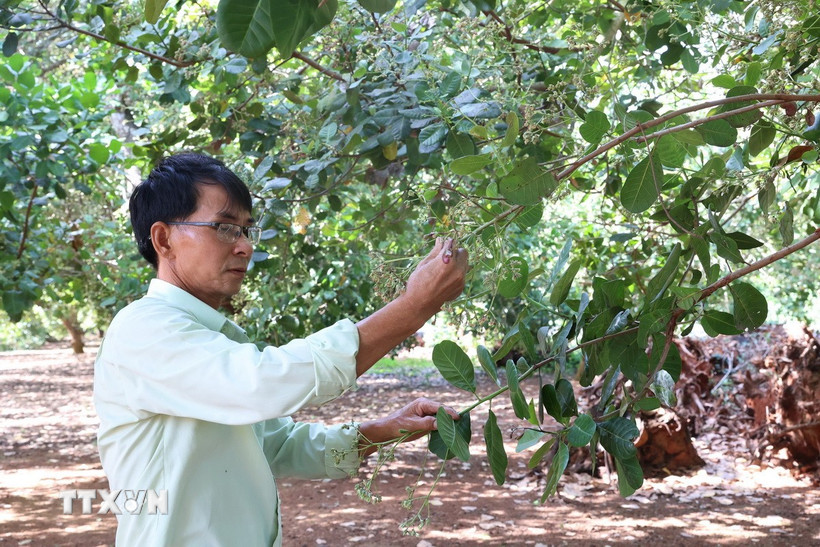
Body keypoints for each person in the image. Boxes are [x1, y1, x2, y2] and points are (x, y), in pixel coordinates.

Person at [93, 152, 468, 545]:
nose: (244, 247)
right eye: (223, 228)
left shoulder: (213, 336)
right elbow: (260, 384)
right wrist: (412, 308)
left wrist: (380, 432)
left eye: (245, 231)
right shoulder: (144, 330)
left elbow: (275, 444)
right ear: (163, 239)